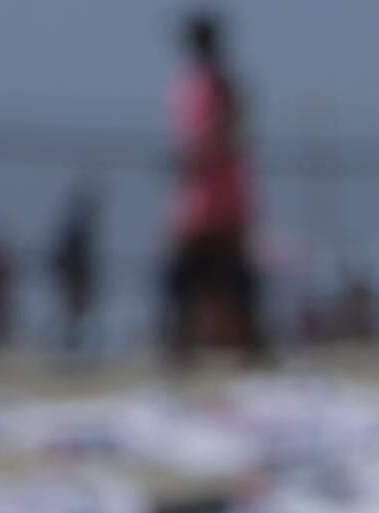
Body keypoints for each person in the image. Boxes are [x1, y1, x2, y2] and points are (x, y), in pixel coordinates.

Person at [164, 12, 262, 367]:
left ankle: (189, 342)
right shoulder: (197, 83)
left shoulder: (219, 85)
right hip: (203, 197)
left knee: (203, 274)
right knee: (211, 275)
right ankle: (189, 341)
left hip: (217, 198)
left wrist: (194, 158)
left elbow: (223, 133)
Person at [48, 182, 104, 361]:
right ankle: (71, 351)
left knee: (80, 319)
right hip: (75, 281)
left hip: (79, 281)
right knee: (73, 319)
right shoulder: (74, 235)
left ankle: (78, 351)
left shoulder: (76, 234)